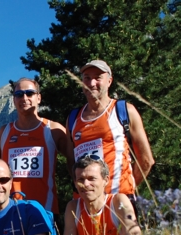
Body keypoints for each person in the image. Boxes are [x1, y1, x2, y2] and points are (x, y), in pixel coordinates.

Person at [66, 59, 154, 197]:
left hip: (118, 199)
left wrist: (127, 189)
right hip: (84, 203)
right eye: (87, 78)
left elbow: (146, 160)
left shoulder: (125, 111)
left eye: (98, 78)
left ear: (109, 81)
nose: (92, 83)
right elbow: (71, 162)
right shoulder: (73, 118)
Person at [57, 155, 143, 235]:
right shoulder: (73, 207)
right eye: (80, 179)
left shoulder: (118, 202)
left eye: (92, 179)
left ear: (105, 180)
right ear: (75, 183)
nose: (86, 184)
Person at [0, 78, 72, 216]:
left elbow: (75, 162)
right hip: (8, 211)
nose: (24, 98)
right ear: (14, 100)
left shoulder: (53, 129)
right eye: (19, 94)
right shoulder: (4, 132)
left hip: (43, 210)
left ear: (39, 98)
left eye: (29, 93)